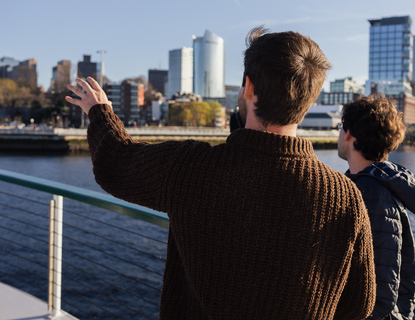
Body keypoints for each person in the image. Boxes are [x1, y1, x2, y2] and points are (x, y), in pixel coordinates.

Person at [67, 26, 376, 320]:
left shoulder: (191, 167)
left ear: (248, 88)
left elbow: (116, 165)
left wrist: (100, 110)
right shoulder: (346, 197)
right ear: (310, 101)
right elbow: (360, 303)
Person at [337, 94, 415, 320]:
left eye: (342, 126)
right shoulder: (370, 184)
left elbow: (381, 291)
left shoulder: (371, 193)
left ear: (350, 134)